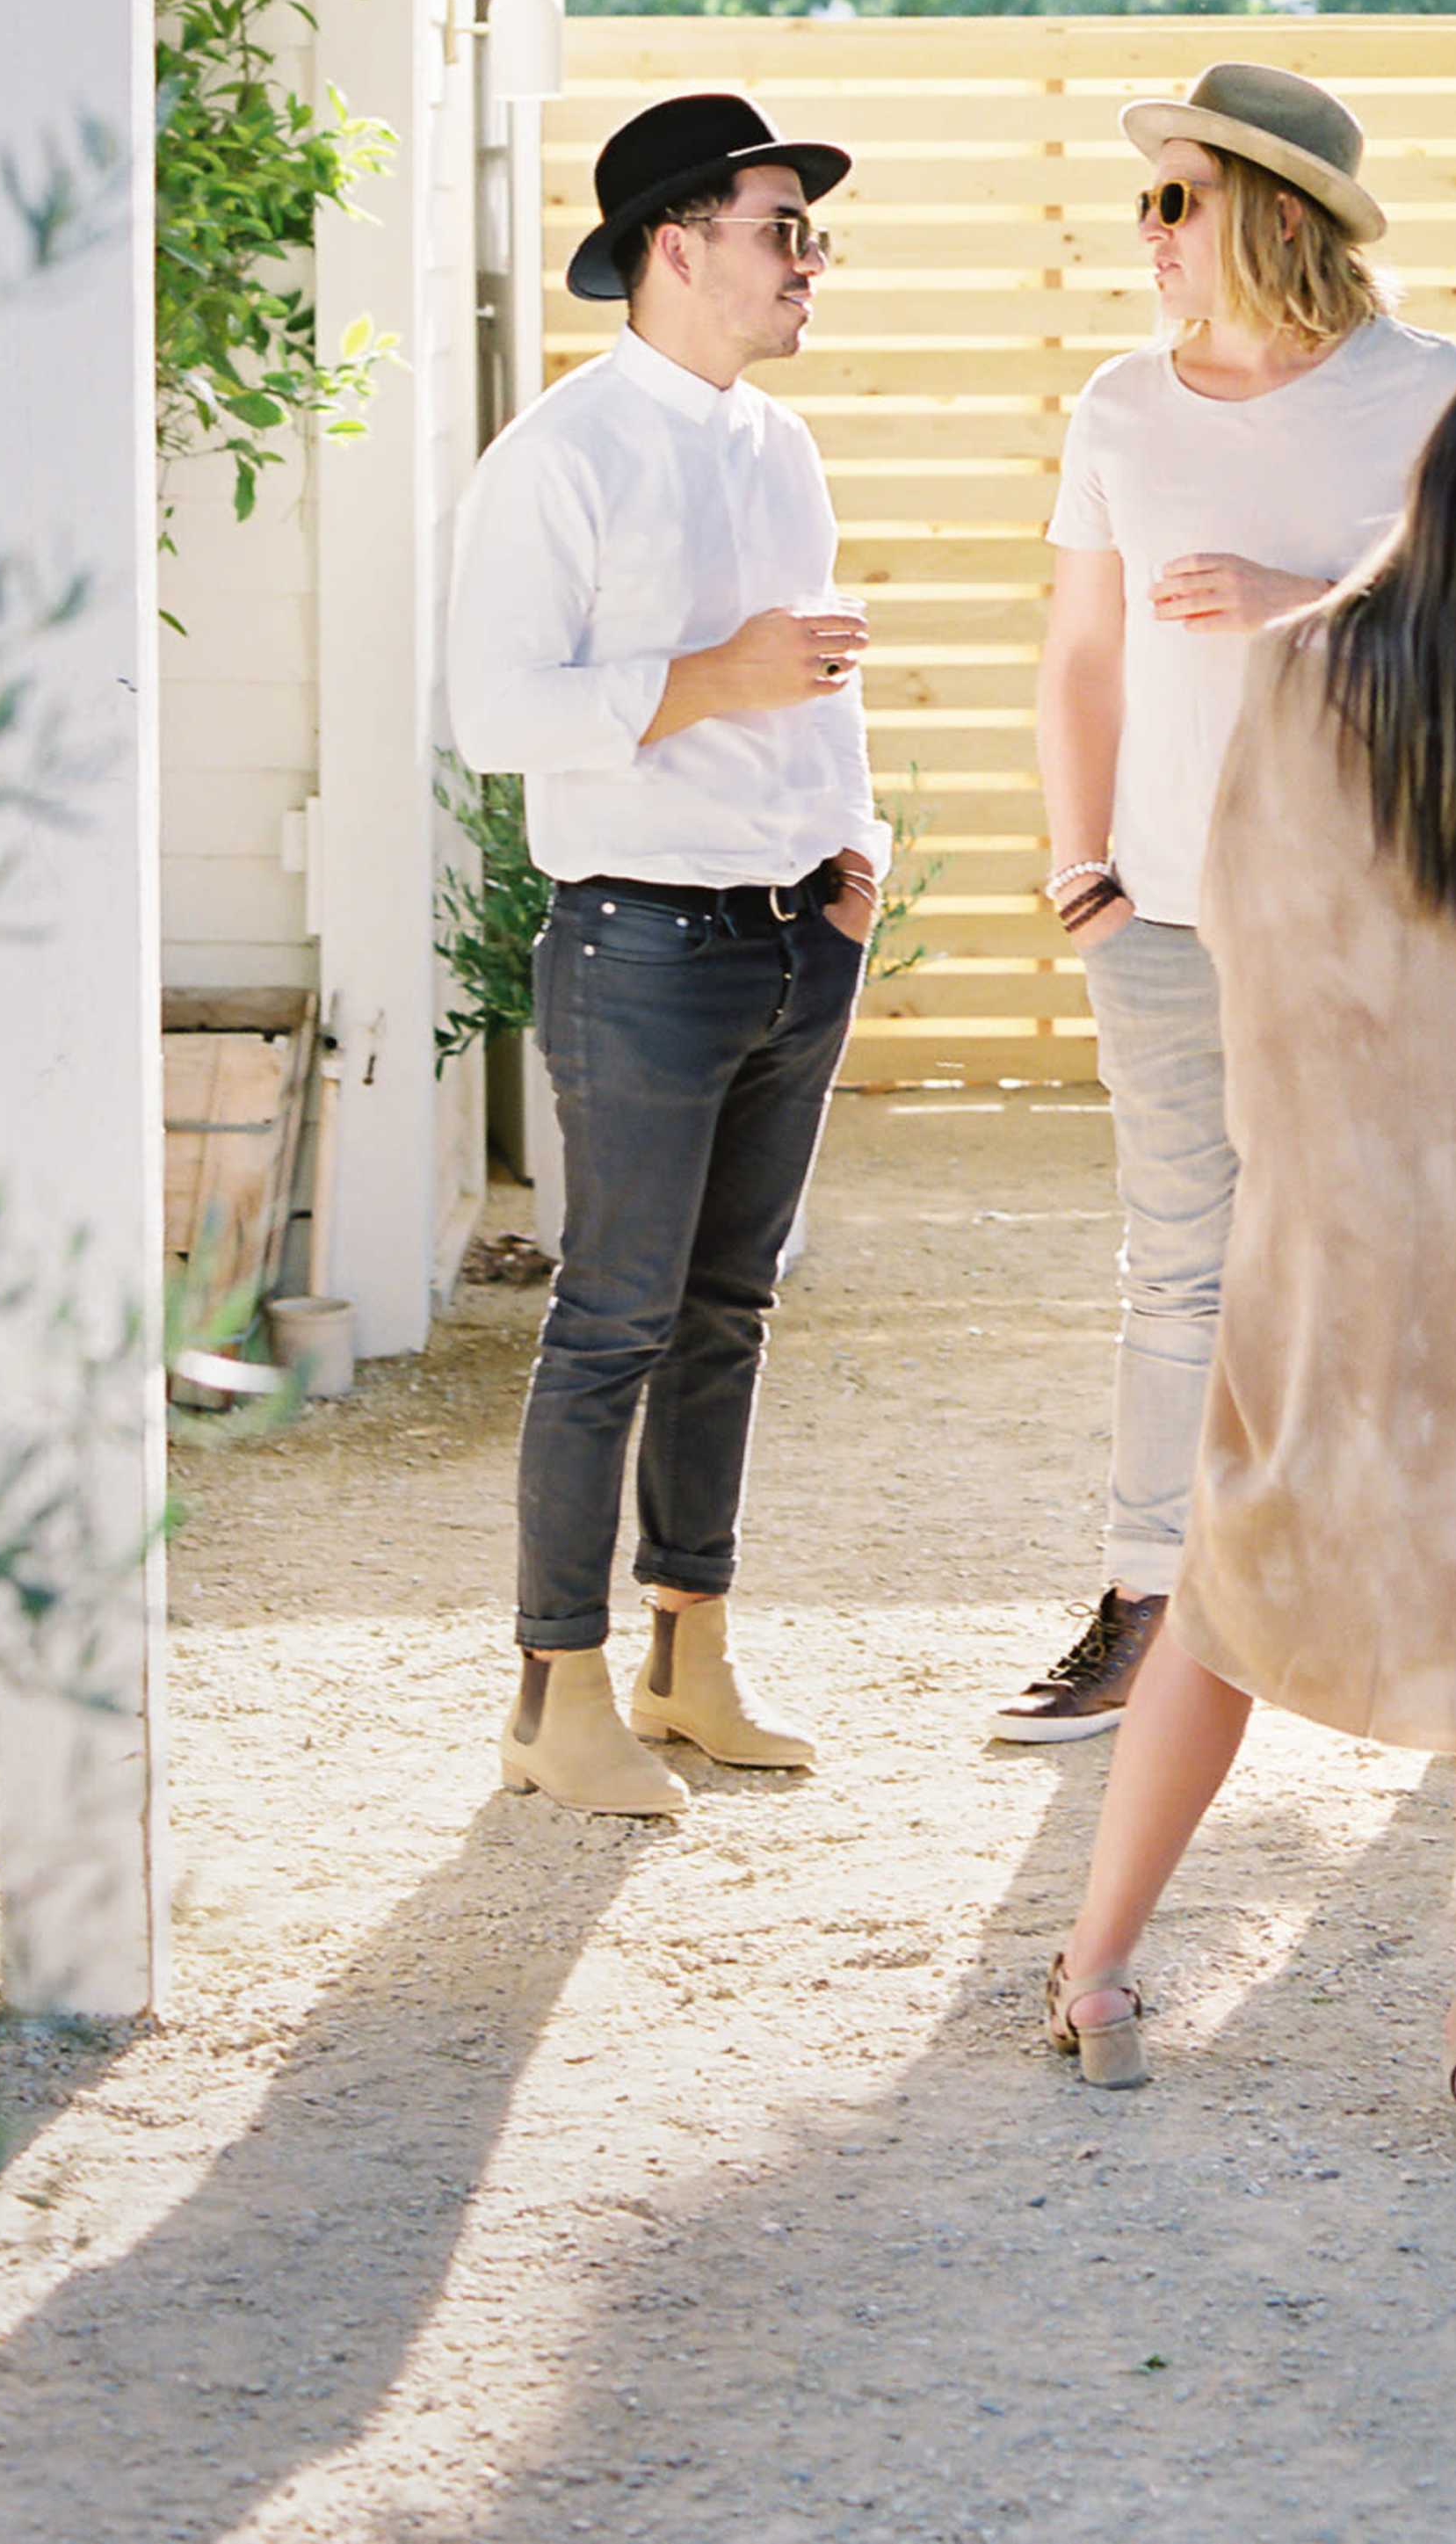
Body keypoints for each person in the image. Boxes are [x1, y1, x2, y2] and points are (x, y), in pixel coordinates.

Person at [1042, 341, 1456, 2163]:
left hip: (1335, 1227)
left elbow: (1247, 942)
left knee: (1236, 1580)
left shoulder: (1298, 680)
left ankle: (1098, 1970)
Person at [998, 60, 1456, 1743]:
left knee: (1375, 1259)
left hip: (1369, 919)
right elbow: (1078, 653)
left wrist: (1307, 599)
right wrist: (1083, 865)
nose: (1149, 230)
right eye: (1144, 201)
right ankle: (1147, 1600)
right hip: (1165, 917)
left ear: (1279, 211)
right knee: (1178, 1270)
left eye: (1175, 198)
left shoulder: (1429, 392)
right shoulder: (1120, 405)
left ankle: (1409, 1607)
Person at [446, 90, 886, 1821]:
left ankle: (686, 1658)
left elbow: (812, 669)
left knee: (729, 1308)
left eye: (811, 235)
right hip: (633, 939)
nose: (810, 263)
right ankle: (554, 1695)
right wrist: (722, 669)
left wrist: (856, 859)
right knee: (611, 1318)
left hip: (794, 931)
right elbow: (496, 713)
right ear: (675, 245)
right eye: (787, 230)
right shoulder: (557, 458)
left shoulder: (778, 444)